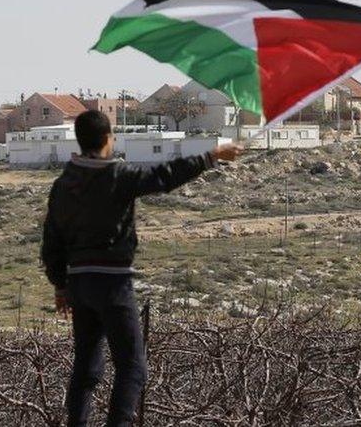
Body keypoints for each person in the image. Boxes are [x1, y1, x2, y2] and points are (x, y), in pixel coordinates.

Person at [41, 109, 242, 426]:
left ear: (79, 142)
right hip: (113, 284)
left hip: (79, 284)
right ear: (109, 139)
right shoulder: (118, 175)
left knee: (86, 369)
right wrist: (210, 157)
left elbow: (51, 237)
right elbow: (164, 176)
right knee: (133, 367)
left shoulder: (63, 183)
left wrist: (60, 285)